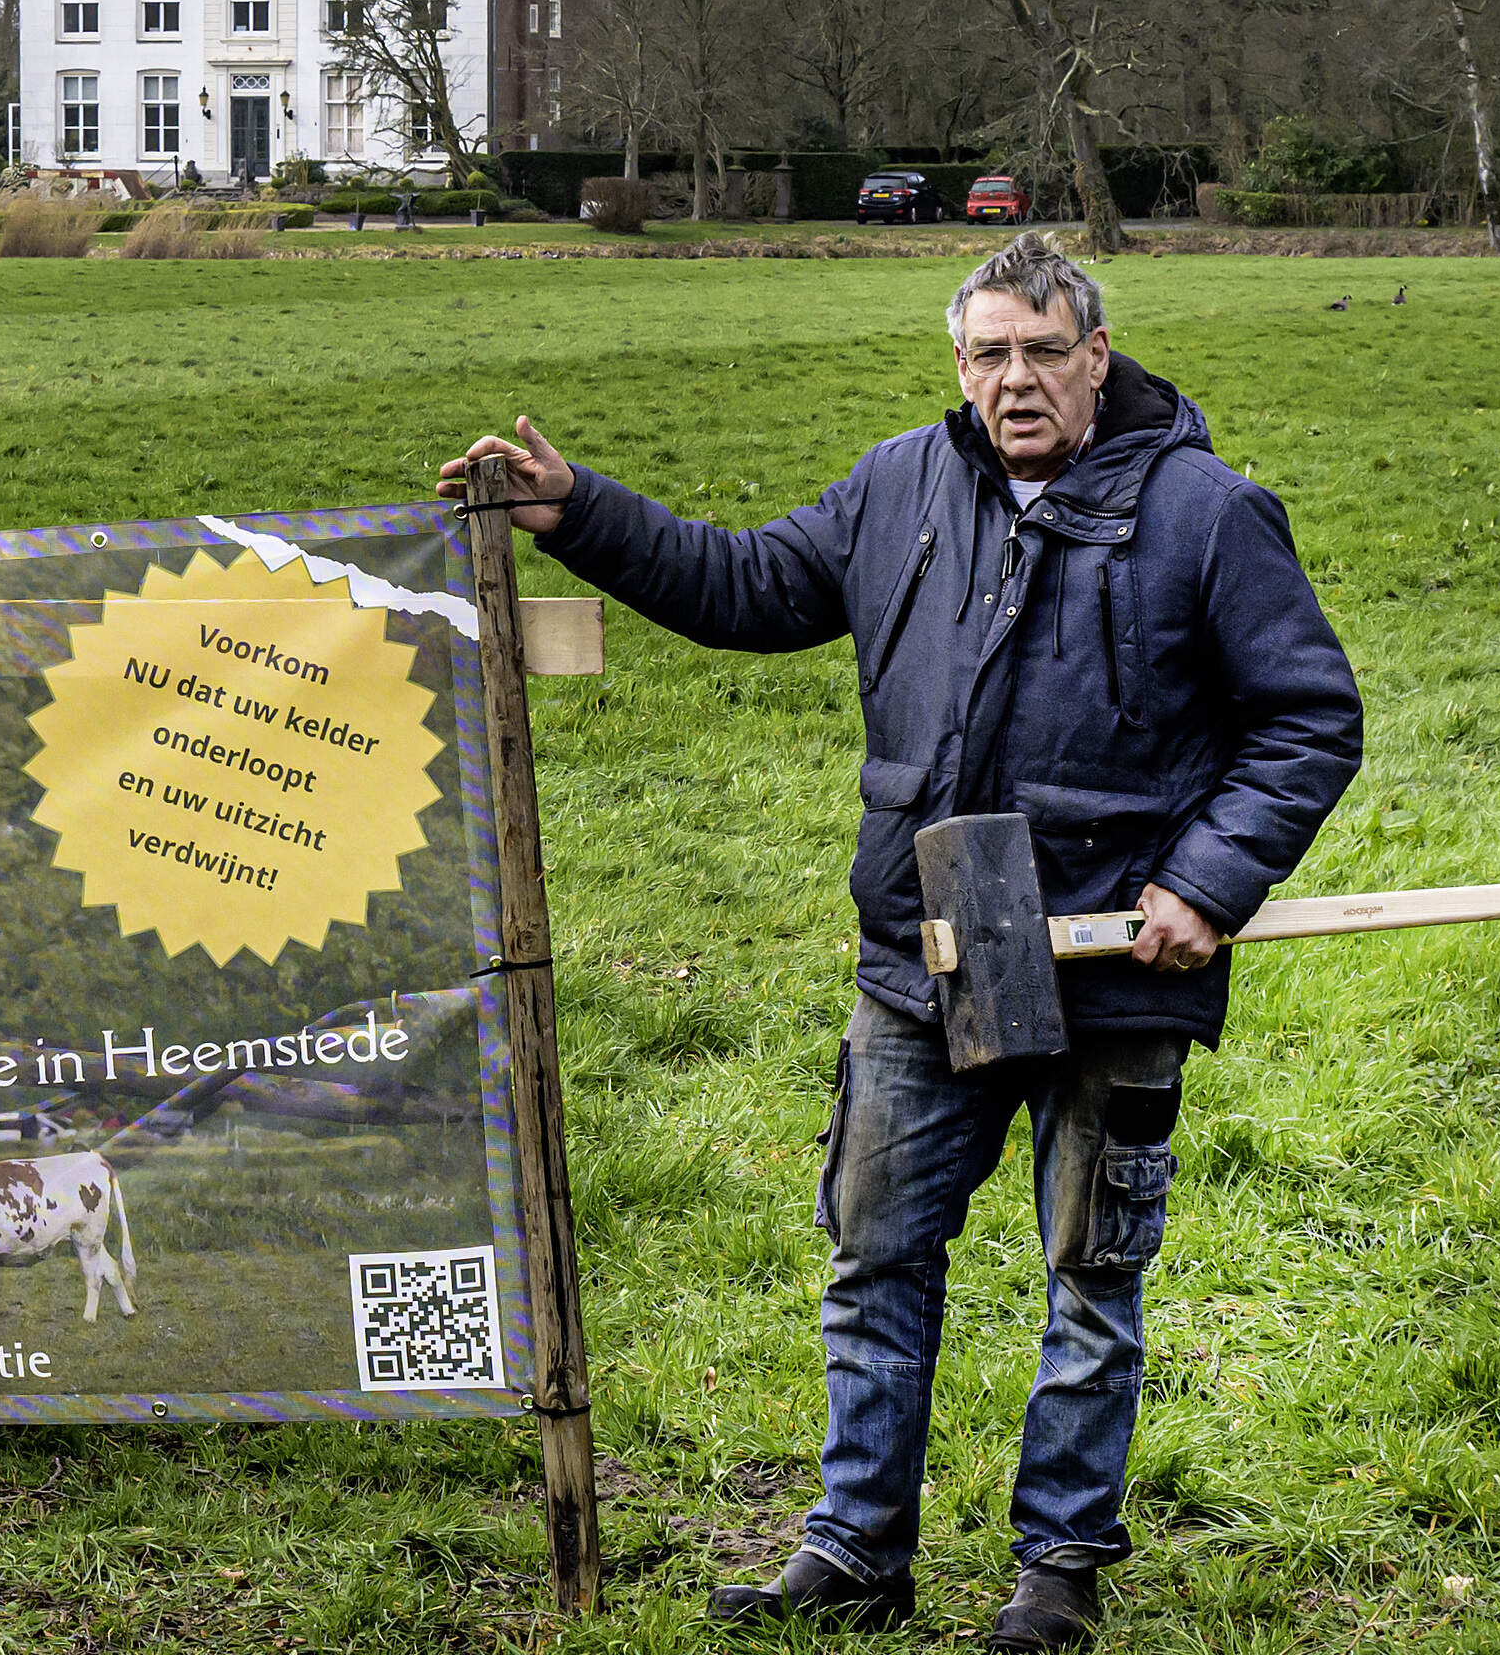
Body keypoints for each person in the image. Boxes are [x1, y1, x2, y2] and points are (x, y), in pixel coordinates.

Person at [439, 233, 1360, 1650]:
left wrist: (1207, 884)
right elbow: (745, 587)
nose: (1016, 380)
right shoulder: (900, 489)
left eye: (1043, 351)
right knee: (874, 1262)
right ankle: (857, 1550)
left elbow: (1307, 717)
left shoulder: (1208, 513)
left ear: (1096, 356)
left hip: (1114, 964)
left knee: (1092, 1278)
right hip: (922, 957)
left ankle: (1058, 1570)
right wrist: (582, 515)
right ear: (960, 365)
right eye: (988, 353)